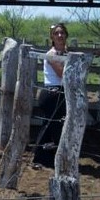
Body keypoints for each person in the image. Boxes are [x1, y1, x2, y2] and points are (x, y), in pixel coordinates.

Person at [32, 22, 70, 168]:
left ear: (66, 35)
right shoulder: (51, 55)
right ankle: (42, 157)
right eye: (56, 33)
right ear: (52, 37)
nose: (60, 36)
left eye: (62, 33)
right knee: (51, 125)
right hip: (52, 93)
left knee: (55, 125)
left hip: (61, 93)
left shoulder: (66, 53)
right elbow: (62, 74)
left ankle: (46, 158)